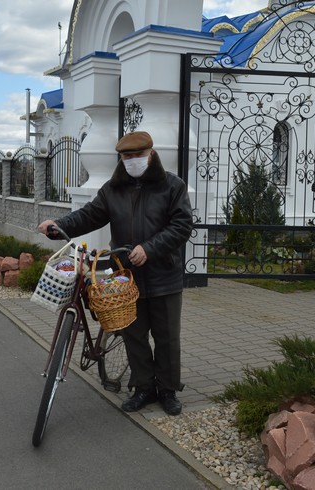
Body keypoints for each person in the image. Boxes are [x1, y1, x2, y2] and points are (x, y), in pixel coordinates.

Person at [38, 131, 193, 416]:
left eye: (138, 155)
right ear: (121, 158)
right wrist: (59, 226)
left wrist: (149, 248)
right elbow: (89, 215)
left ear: (151, 154)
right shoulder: (113, 189)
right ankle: (144, 388)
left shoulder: (173, 186)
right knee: (134, 335)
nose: (133, 161)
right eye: (127, 156)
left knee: (167, 336)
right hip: (125, 275)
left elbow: (182, 226)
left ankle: (168, 390)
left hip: (163, 274)